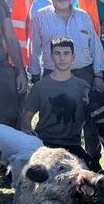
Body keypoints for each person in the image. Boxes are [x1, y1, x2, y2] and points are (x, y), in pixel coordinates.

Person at [29, 0, 104, 166]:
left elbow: (95, 45)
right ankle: (51, 159)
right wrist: (35, 75)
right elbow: (34, 47)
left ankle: (93, 159)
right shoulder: (40, 17)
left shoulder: (83, 16)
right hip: (52, 75)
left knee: (90, 119)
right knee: (54, 117)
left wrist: (98, 74)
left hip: (84, 73)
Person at [20, 37, 98, 170]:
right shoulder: (40, 87)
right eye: (57, 53)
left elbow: (92, 117)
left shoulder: (83, 86)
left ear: (73, 57)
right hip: (45, 145)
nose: (62, 58)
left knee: (88, 178)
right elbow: (26, 119)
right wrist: (31, 138)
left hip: (72, 145)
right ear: (51, 56)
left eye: (66, 53)